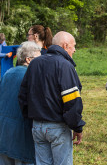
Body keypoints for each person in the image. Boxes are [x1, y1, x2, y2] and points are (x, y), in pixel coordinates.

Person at [19, 31, 85, 165]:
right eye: (73, 46)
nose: (75, 49)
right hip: (57, 127)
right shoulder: (65, 65)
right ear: (65, 46)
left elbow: (23, 95)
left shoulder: (34, 64)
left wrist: (31, 117)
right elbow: (72, 102)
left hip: (37, 126)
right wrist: (77, 127)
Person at [0, 41, 41, 165]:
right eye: (38, 59)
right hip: (21, 137)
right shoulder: (31, 76)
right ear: (28, 60)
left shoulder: (8, 73)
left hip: (4, 134)